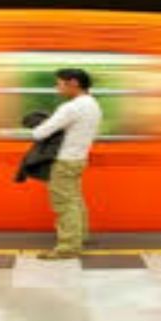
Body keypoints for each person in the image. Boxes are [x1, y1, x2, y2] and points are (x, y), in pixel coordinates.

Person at [31, 68, 102, 260]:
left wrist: (35, 127)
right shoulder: (93, 104)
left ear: (73, 83)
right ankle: (80, 235)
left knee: (64, 203)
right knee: (75, 199)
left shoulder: (72, 107)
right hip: (79, 158)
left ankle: (68, 247)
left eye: (60, 83)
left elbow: (40, 133)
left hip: (64, 160)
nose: (57, 88)